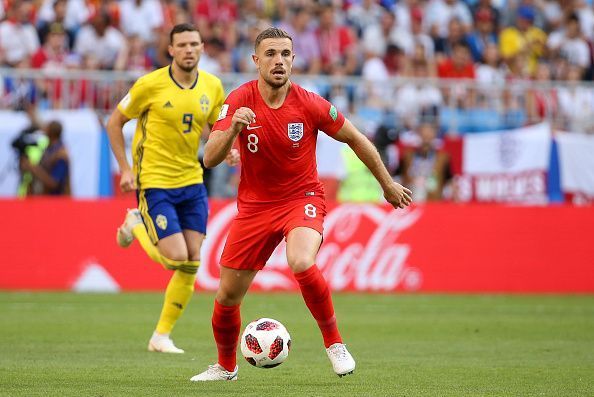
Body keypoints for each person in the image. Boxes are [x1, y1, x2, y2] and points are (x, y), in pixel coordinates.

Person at [190, 27, 412, 382]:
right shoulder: (239, 100)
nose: (279, 61)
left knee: (301, 260)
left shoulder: (310, 103)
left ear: (293, 59)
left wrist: (387, 184)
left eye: (285, 54)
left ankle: (335, 345)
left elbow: (356, 138)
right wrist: (233, 127)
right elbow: (212, 159)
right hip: (255, 207)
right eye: (271, 54)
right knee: (227, 295)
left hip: (301, 198)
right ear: (256, 60)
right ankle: (226, 367)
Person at [106, 23, 237, 354]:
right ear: (171, 50)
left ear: (202, 47)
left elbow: (214, 129)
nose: (189, 50)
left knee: (193, 261)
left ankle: (160, 336)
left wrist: (229, 148)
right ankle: (135, 223)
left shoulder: (213, 85)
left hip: (192, 181)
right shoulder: (149, 84)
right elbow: (114, 122)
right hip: (154, 182)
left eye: (194, 44)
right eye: (182, 45)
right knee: (176, 257)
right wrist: (125, 169)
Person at [17, 117, 70, 196]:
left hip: (56, 201)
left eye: (46, 128)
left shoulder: (60, 154)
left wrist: (33, 169)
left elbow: (53, 183)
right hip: (44, 198)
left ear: (51, 132)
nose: (43, 130)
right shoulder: (48, 149)